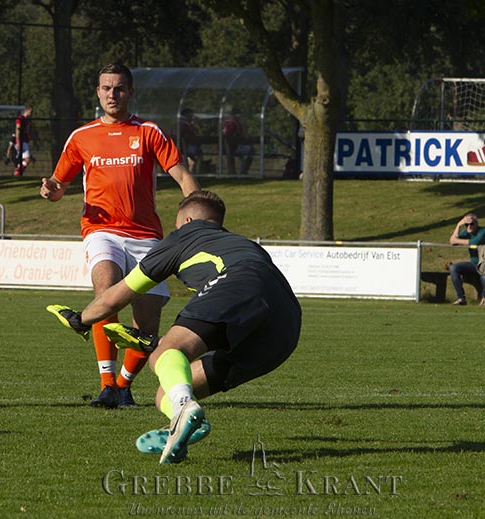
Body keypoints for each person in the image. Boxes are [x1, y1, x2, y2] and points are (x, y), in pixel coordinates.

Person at [48, 190, 302, 464]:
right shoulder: (241, 243)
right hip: (286, 322)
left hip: (236, 283)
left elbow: (115, 297)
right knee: (167, 391)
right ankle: (185, 421)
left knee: (165, 355)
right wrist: (155, 342)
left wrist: (81, 320)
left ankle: (182, 408)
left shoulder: (184, 236)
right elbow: (238, 314)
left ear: (188, 221)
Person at [40, 63, 199, 409]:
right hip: (101, 231)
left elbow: (183, 176)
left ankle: (124, 386)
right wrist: (51, 190)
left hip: (146, 236)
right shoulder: (81, 137)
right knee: (105, 286)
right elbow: (58, 187)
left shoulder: (149, 132)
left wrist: (197, 219)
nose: (112, 94)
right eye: (106, 88)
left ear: (130, 92)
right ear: (97, 92)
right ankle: (107, 384)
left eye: (119, 88)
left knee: (147, 319)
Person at [448, 212, 485, 305]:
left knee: (484, 277)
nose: (469, 226)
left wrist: (458, 241)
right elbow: (452, 241)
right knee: (453, 268)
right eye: (466, 224)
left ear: (476, 223)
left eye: (471, 224)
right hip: (473, 264)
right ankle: (461, 298)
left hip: (483, 265)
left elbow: (475, 241)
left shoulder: (483, 231)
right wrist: (458, 225)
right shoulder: (466, 232)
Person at [177, 108, 201, 173]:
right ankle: (192, 171)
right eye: (190, 115)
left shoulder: (178, 123)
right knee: (196, 152)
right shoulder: (185, 125)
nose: (192, 117)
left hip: (180, 147)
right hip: (185, 147)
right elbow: (191, 137)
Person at [13, 104, 34, 176]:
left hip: (25, 141)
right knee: (27, 159)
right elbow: (17, 129)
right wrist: (18, 141)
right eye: (31, 111)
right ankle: (18, 173)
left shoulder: (27, 120)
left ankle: (18, 172)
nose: (31, 113)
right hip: (21, 141)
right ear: (27, 110)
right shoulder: (20, 118)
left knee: (23, 160)